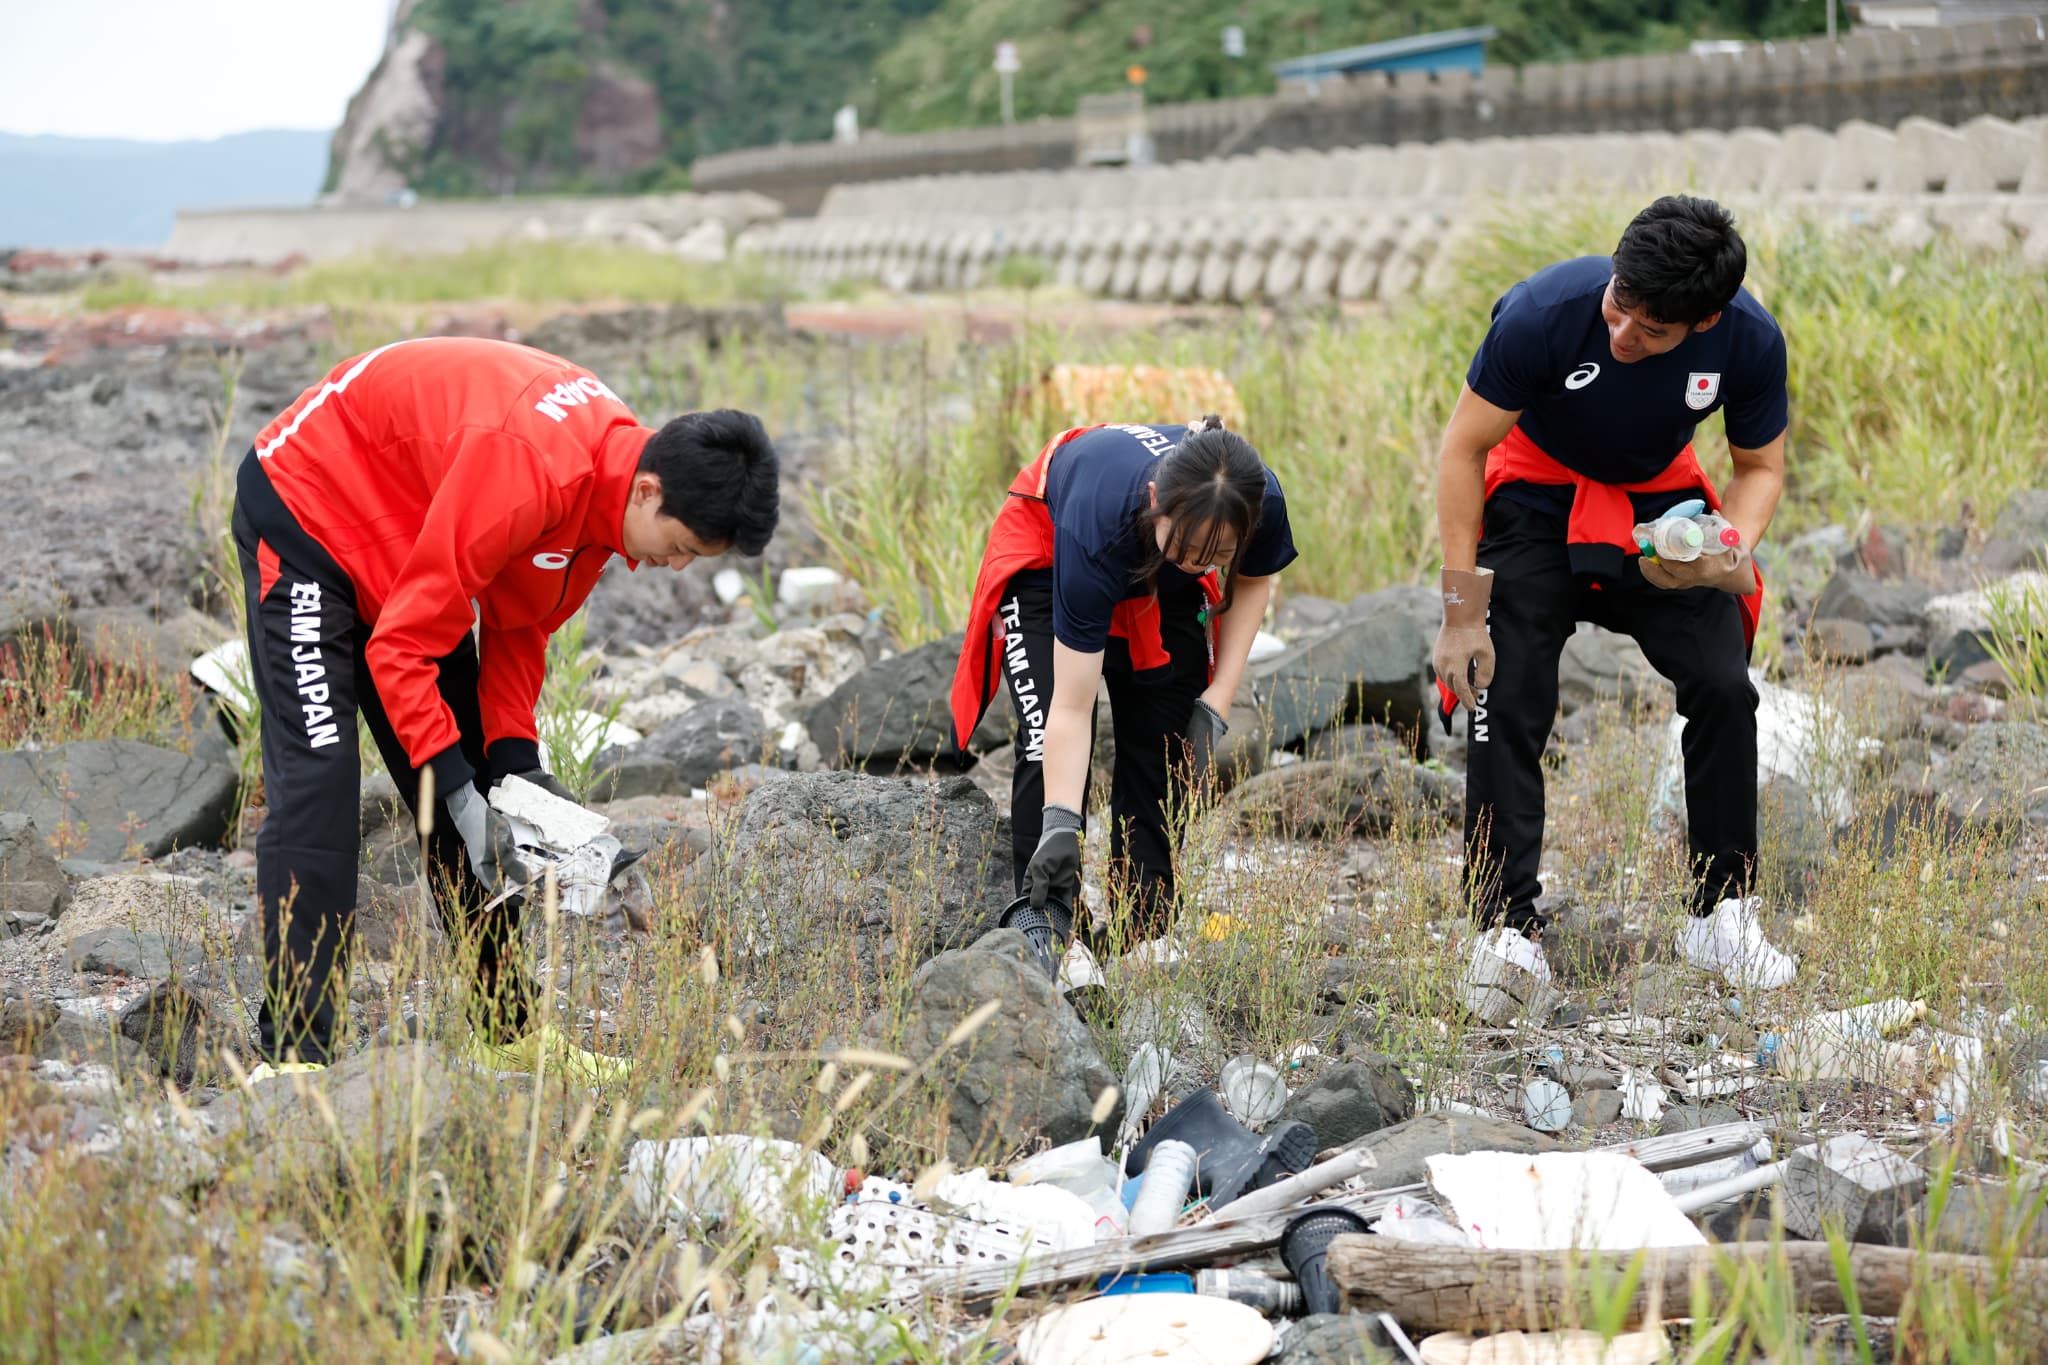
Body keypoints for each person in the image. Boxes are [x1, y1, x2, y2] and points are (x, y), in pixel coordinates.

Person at [232, 336, 779, 1084]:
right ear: (649, 489)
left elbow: (521, 622)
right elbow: (399, 651)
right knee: (321, 782)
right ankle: (296, 1056)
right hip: (311, 513)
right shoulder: (532, 468)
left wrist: (517, 765)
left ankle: (505, 1029)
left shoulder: (605, 501)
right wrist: (455, 792)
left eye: (693, 560)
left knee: (486, 792)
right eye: (679, 546)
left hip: (415, 550)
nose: (674, 566)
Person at [1433, 194, 1797, 1003]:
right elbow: (1463, 448)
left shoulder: (1749, 340)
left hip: (1659, 512)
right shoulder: (1544, 314)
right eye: (1619, 303)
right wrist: (1462, 614)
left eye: (1651, 330)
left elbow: (1761, 468)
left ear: (1704, 322)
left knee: (1724, 684)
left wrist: (1721, 548)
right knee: (1506, 683)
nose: (1623, 332)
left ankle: (1721, 911)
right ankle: (1502, 924)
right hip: (1535, 497)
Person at [948, 417, 1295, 957]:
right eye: (1191, 548)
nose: (1201, 563)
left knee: (1163, 739)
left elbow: (1251, 581)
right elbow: (1070, 704)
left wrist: (1216, 701)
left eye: (1217, 555)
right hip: (1051, 553)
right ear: (1157, 499)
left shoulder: (1257, 498)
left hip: (1158, 568)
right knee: (1045, 743)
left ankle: (1144, 933)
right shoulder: (1096, 517)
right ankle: (1049, 925)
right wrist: (1062, 821)